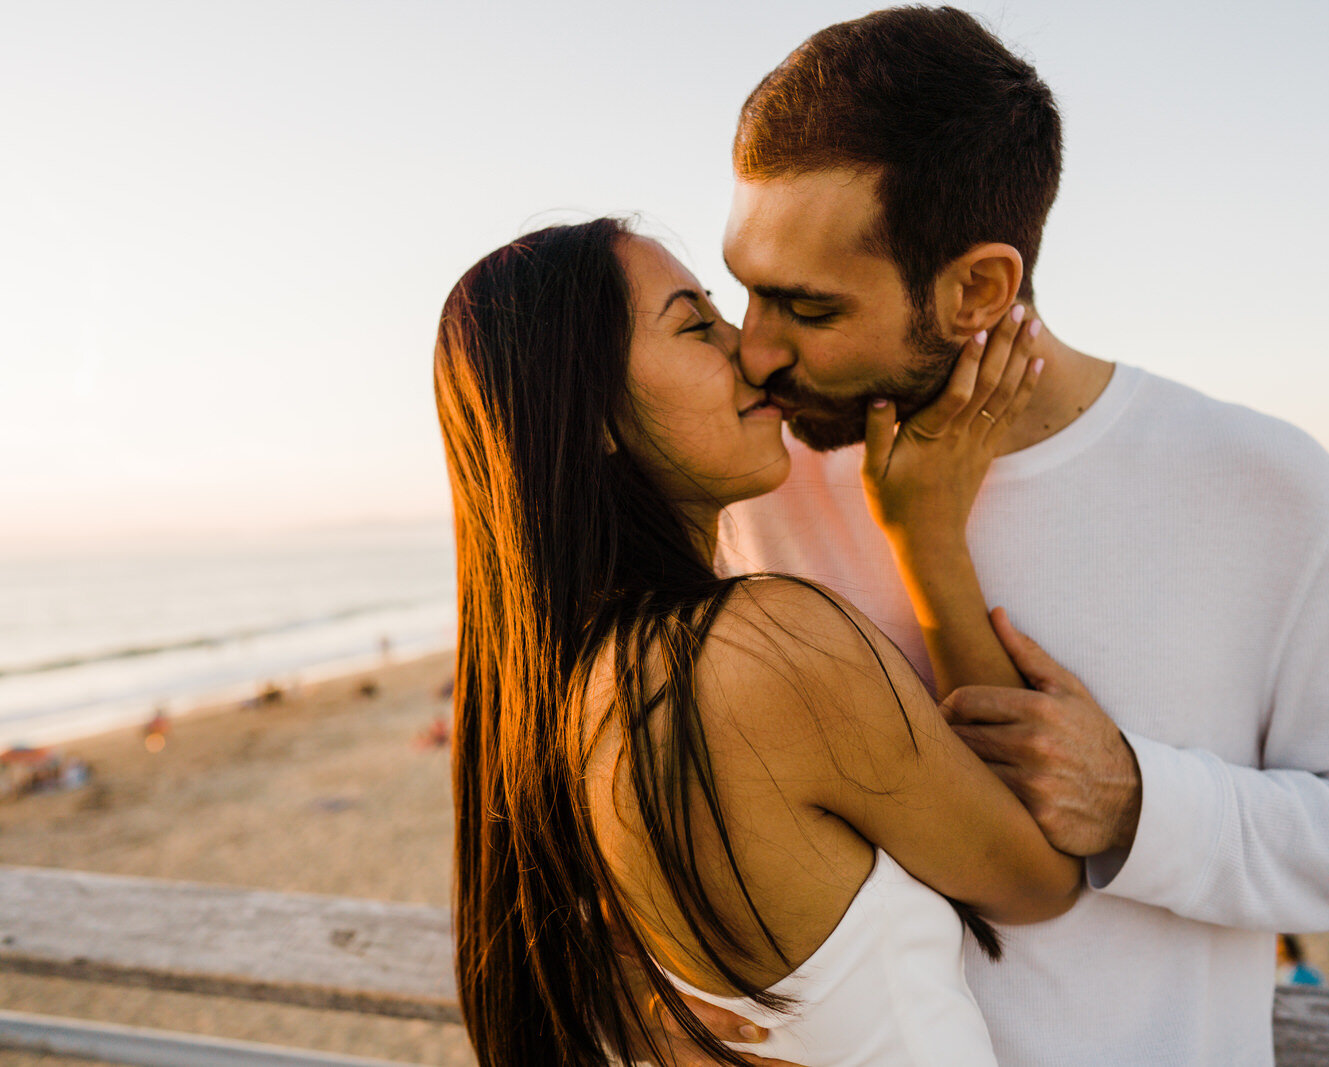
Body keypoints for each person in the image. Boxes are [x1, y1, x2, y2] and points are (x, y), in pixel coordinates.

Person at [648, 7, 1329, 1066]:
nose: (754, 351)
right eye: (744, 287)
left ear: (977, 289)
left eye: (806, 309)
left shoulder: (1260, 483)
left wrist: (1140, 799)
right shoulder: (761, 484)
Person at [434, 216, 1082, 1066]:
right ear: (589, 412)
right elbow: (1039, 879)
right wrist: (928, 540)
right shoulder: (762, 649)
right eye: (696, 325)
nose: (750, 349)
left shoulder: (567, 693)